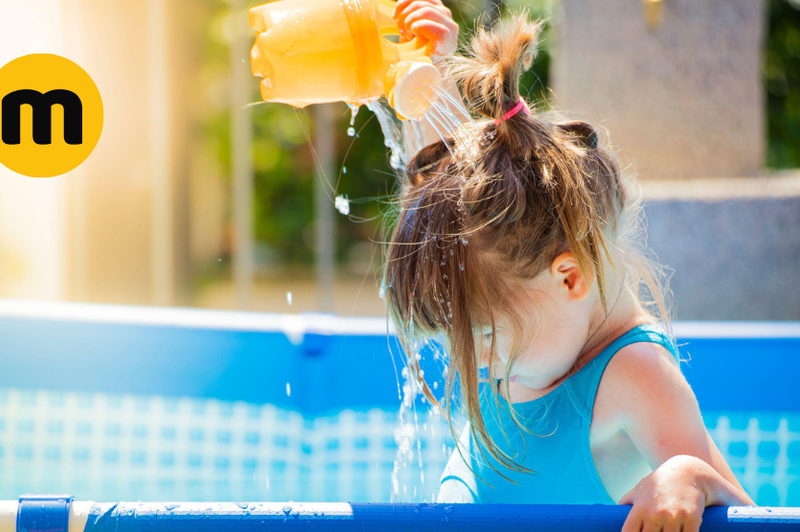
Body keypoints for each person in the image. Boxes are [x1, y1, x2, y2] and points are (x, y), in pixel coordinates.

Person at [387, 1, 755, 531]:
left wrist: (689, 477)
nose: (473, 359)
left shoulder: (634, 376)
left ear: (569, 277)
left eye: (484, 335)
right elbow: (446, 184)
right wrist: (431, 71)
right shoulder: (525, 305)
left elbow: (753, 518)